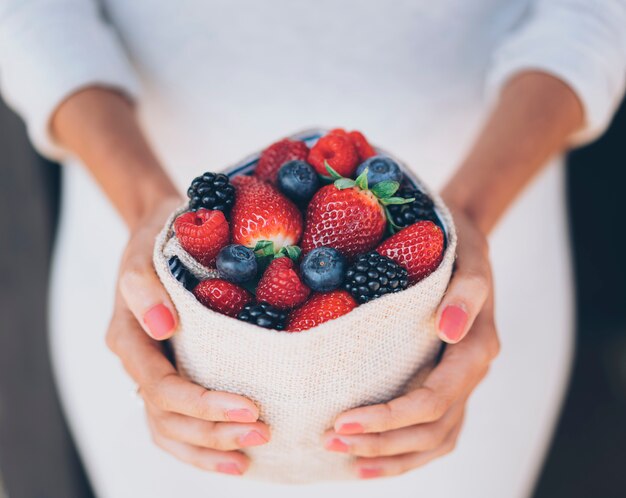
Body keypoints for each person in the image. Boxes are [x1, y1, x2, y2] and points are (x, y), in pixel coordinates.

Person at [1, 1, 625, 497]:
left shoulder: (435, 240)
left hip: (473, 241)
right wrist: (146, 211)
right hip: (150, 236)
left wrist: (471, 216)